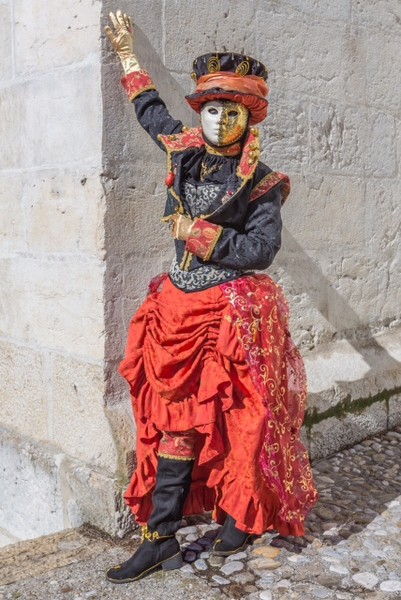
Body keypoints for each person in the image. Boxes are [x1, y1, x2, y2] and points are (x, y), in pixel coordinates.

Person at [104, 10, 318, 584]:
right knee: (174, 420)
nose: (221, 120)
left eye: (232, 111)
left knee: (242, 419)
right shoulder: (185, 150)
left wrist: (196, 233)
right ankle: (161, 536)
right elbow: (150, 112)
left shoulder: (264, 181)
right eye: (213, 109)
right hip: (177, 310)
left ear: (250, 119)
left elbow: (261, 248)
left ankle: (239, 521)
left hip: (229, 316)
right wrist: (127, 55)